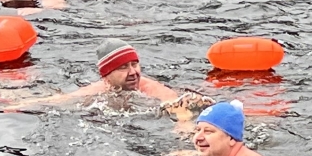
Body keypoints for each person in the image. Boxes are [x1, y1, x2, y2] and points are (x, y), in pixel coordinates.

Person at [16, 39, 197, 109]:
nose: (133, 72)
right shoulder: (97, 91)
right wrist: (16, 106)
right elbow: (57, 101)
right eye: (123, 67)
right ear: (107, 75)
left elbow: (180, 111)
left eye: (135, 64)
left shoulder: (150, 88)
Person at [189, 100, 283, 156]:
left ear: (231, 139)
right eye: (197, 130)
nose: (198, 137)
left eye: (208, 131)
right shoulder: (218, 154)